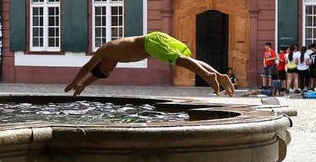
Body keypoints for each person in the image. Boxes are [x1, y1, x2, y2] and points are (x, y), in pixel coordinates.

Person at [64, 32, 235, 97]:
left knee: (180, 61)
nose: (112, 67)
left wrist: (76, 81)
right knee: (185, 59)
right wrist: (84, 85)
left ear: (100, 63)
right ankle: (220, 76)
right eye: (111, 71)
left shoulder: (104, 51)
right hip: (155, 40)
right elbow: (96, 74)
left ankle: (208, 76)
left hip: (151, 43)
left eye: (108, 67)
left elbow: (88, 68)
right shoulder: (111, 58)